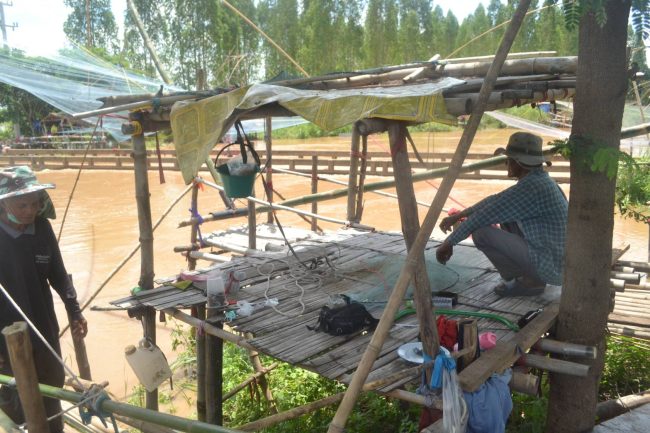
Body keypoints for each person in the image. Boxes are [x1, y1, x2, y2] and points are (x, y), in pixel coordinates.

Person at [0, 166, 87, 433]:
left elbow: (59, 275)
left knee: (51, 388)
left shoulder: (42, 228)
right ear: (4, 203)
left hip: (43, 326)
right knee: (15, 396)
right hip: (5, 335)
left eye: (35, 203)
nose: (30, 210)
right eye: (22, 204)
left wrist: (75, 311)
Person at [435, 132, 568, 296]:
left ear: (519, 162)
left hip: (549, 265)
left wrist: (449, 242)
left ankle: (525, 281)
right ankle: (531, 279)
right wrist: (459, 215)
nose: (507, 163)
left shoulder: (531, 187)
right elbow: (495, 200)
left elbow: (482, 217)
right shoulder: (539, 180)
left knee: (481, 233)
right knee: (506, 218)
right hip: (553, 259)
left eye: (509, 160)